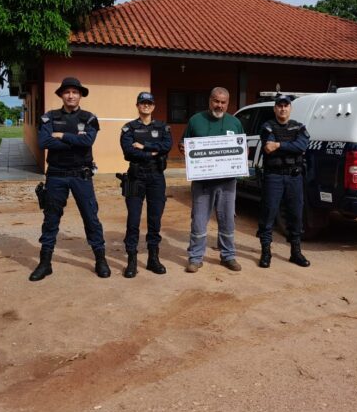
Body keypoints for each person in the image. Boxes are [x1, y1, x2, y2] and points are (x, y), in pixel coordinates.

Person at [29, 76, 110, 281]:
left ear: (80, 95)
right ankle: (45, 263)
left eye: (75, 92)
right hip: (56, 175)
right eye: (67, 92)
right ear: (61, 95)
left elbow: (88, 141)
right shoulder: (49, 117)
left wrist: (62, 136)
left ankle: (100, 259)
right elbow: (43, 142)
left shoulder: (89, 118)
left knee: (91, 218)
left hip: (81, 175)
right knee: (51, 219)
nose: (71, 95)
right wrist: (76, 140)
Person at [179, 87, 245, 273]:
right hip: (202, 182)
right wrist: (184, 149)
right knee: (199, 220)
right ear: (210, 101)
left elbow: (242, 146)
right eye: (216, 101)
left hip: (227, 182)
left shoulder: (235, 123)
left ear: (228, 103)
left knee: (227, 220)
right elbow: (183, 143)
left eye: (223, 102)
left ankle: (228, 256)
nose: (219, 105)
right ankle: (195, 257)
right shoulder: (195, 120)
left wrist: (242, 154)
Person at [119, 92, 173, 278]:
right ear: (137, 105)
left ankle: (153, 259)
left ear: (154, 106)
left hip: (156, 177)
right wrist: (151, 153)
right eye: (143, 103)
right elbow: (128, 152)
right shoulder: (129, 128)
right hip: (135, 176)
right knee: (133, 220)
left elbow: (167, 147)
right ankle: (132, 260)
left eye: (149, 103)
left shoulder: (162, 127)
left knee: (154, 219)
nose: (146, 105)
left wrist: (144, 146)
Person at [257, 94, 311, 268]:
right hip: (274, 176)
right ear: (275, 108)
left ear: (290, 108)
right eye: (279, 105)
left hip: (294, 177)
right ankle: (266, 253)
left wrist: (279, 145)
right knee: (269, 214)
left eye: (285, 105)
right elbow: (268, 148)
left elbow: (301, 146)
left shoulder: (299, 127)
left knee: (295, 214)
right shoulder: (267, 127)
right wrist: (290, 147)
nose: (282, 108)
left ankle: (296, 252)